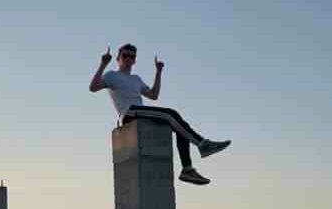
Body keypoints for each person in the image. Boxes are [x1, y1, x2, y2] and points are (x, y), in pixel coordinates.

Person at [89, 44, 230, 185]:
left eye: (132, 56)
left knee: (180, 127)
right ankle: (202, 144)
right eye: (125, 55)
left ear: (135, 60)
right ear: (118, 58)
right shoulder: (112, 75)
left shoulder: (136, 79)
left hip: (140, 112)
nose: (128, 59)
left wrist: (158, 72)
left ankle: (187, 169)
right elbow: (93, 87)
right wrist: (103, 64)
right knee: (171, 114)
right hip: (128, 113)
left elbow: (153, 95)